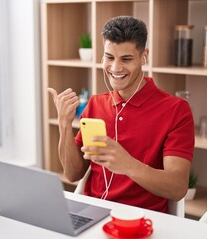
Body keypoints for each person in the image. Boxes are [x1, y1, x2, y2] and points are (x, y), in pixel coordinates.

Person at [48, 16, 194, 213]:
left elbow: (178, 188)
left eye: (126, 59)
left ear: (144, 56)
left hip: (141, 219)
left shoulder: (176, 110)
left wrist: (128, 165)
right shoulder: (95, 104)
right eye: (109, 57)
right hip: (92, 213)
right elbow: (73, 173)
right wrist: (64, 125)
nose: (115, 68)